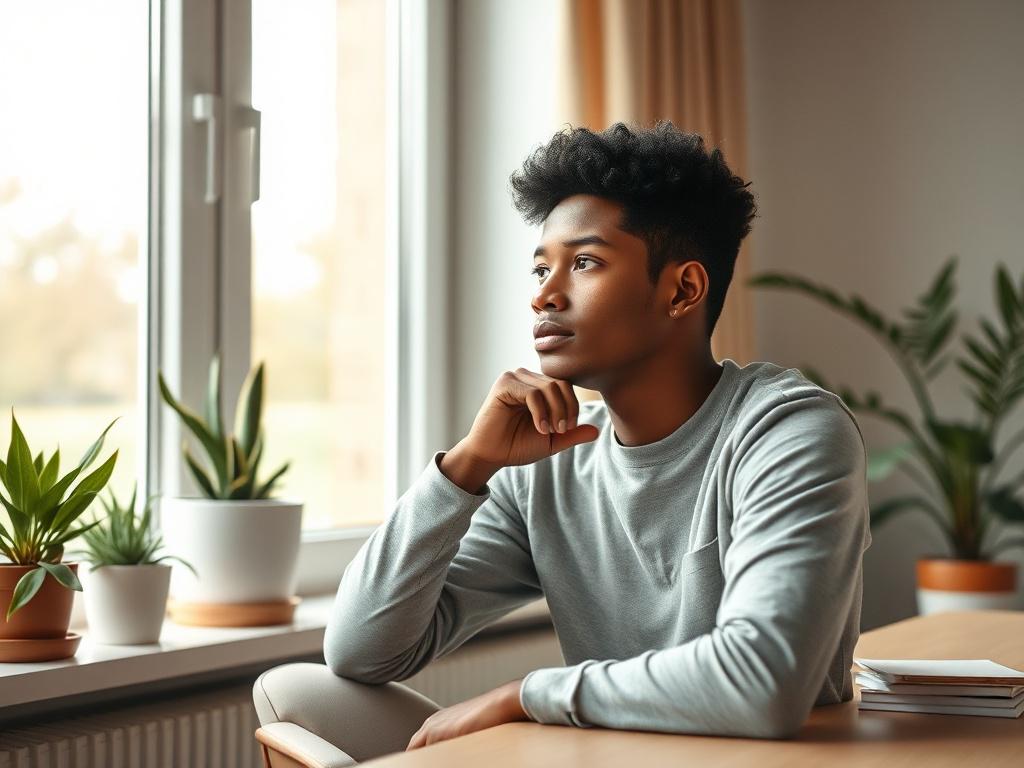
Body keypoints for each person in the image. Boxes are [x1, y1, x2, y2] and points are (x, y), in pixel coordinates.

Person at [323, 120, 872, 749]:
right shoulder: (548, 465)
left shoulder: (789, 433)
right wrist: (467, 466)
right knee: (299, 688)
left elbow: (764, 682)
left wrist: (525, 696)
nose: (544, 297)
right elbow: (361, 651)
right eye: (540, 270)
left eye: (584, 263)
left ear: (683, 289)